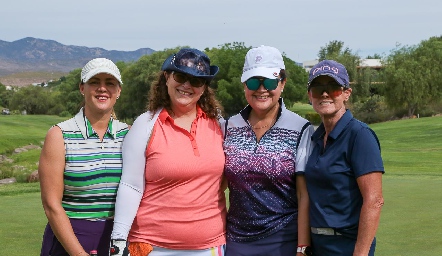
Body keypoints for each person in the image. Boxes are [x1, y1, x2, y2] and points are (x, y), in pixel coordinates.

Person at [110, 48, 227, 256]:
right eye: (181, 76)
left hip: (209, 246)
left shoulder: (218, 124)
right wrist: (118, 240)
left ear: (204, 87)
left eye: (197, 81)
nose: (187, 85)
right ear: (167, 77)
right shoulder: (145, 124)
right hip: (152, 246)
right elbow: (131, 185)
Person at [221, 45, 314, 256]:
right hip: (236, 240)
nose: (261, 89)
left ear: (282, 83)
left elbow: (303, 193)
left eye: (270, 82)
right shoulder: (228, 127)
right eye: (254, 82)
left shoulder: (301, 128)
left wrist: (302, 247)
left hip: (284, 239)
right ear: (245, 85)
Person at [39, 58, 129, 256]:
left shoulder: (129, 134)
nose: (102, 88)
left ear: (119, 91)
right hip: (69, 240)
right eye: (94, 82)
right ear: (82, 88)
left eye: (110, 83)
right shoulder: (59, 134)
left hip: (117, 240)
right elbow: (51, 204)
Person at [304, 60, 385, 255]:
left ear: (346, 93)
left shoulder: (359, 135)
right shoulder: (315, 137)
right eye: (318, 88)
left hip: (346, 246)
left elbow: (374, 200)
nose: (325, 94)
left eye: (333, 88)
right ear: (310, 96)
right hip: (317, 246)